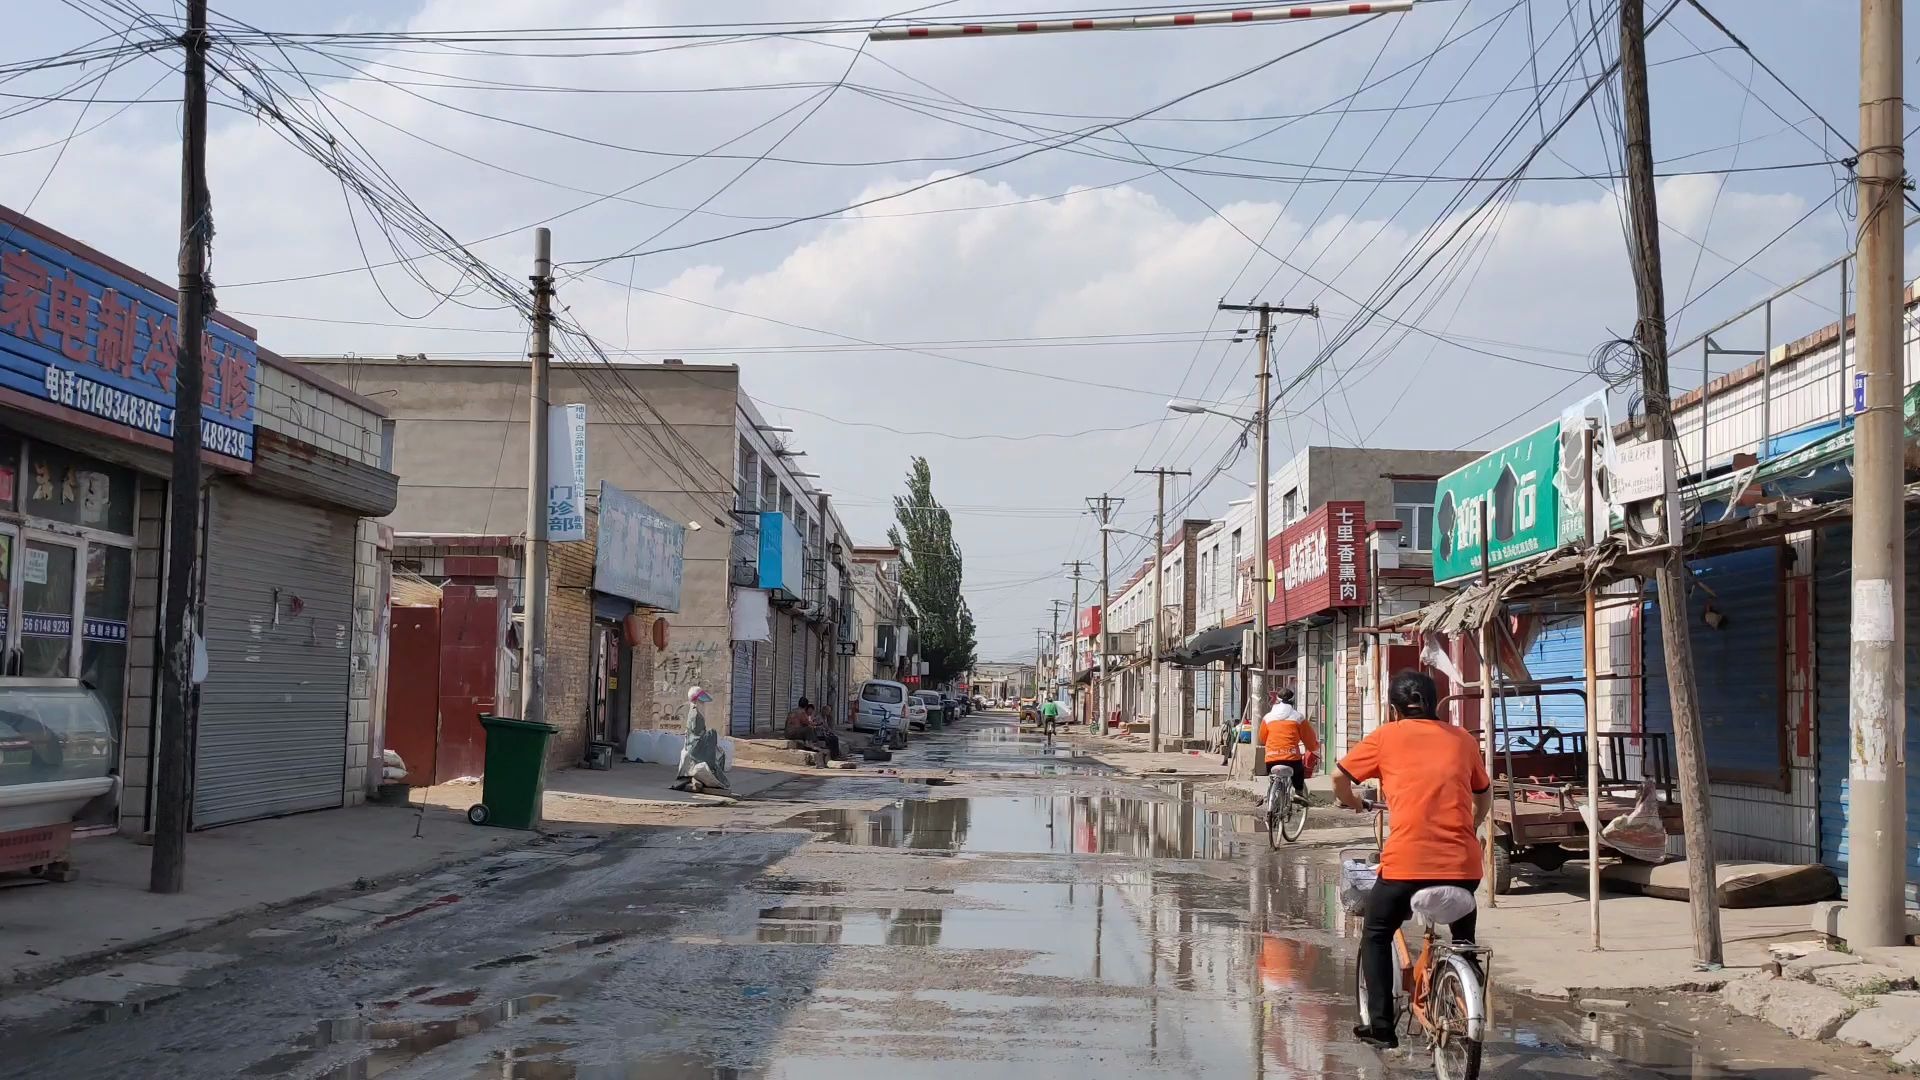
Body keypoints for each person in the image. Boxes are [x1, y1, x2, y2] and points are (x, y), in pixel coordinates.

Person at [1333, 669, 1492, 1050]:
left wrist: (1356, 803)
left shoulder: (1386, 737)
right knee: (1464, 939)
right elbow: (1483, 795)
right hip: (1463, 866)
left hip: (1407, 864)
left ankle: (1382, 1026)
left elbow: (1341, 781)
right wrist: (1470, 826)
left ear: (1393, 709)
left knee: (1376, 933)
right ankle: (1466, 983)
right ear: (1435, 703)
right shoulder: (1462, 740)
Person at [1257, 688, 1317, 805]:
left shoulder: (1268, 717)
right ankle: (1298, 794)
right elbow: (1309, 740)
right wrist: (1313, 748)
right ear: (1293, 701)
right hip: (1291, 759)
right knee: (1298, 772)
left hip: (1271, 759)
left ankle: (1270, 796)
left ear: (1277, 701)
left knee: (1273, 777)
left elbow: (1262, 738)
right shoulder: (1298, 717)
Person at [672, 685, 730, 793]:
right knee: (716, 748)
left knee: (719, 752)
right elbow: (696, 734)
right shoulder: (694, 713)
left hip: (695, 744)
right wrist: (710, 735)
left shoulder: (697, 712)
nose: (703, 704)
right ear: (696, 701)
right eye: (701, 702)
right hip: (695, 747)